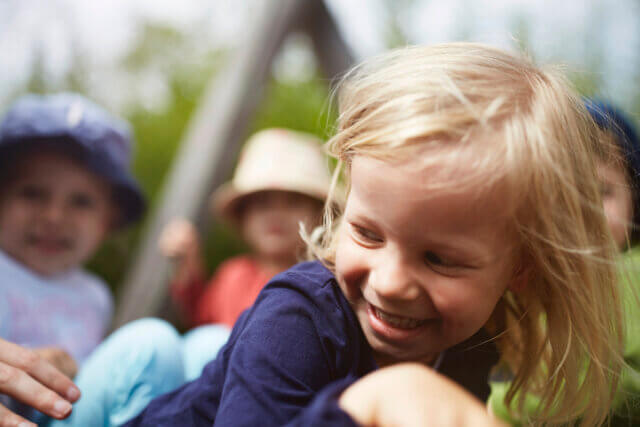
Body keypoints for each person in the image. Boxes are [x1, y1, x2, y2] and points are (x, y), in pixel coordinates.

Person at [51, 43, 624, 426]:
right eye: (368, 234)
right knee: (155, 347)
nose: (392, 282)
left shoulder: (474, 341)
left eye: (441, 259)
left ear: (520, 268)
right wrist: (364, 405)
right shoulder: (298, 316)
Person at [489, 99, 640, 423]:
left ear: (635, 202)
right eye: (562, 191)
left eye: (601, 191)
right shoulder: (522, 275)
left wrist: (496, 411)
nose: (581, 209)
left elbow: (602, 382)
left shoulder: (630, 273)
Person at [0, 93, 145, 422]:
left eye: (81, 201)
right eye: (32, 193)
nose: (53, 216)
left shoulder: (95, 295)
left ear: (109, 221)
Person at [159, 128, 330, 329]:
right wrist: (186, 266)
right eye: (262, 203)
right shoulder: (233, 275)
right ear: (243, 216)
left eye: (293, 202)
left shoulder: (323, 283)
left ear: (320, 215)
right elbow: (203, 320)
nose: (276, 213)